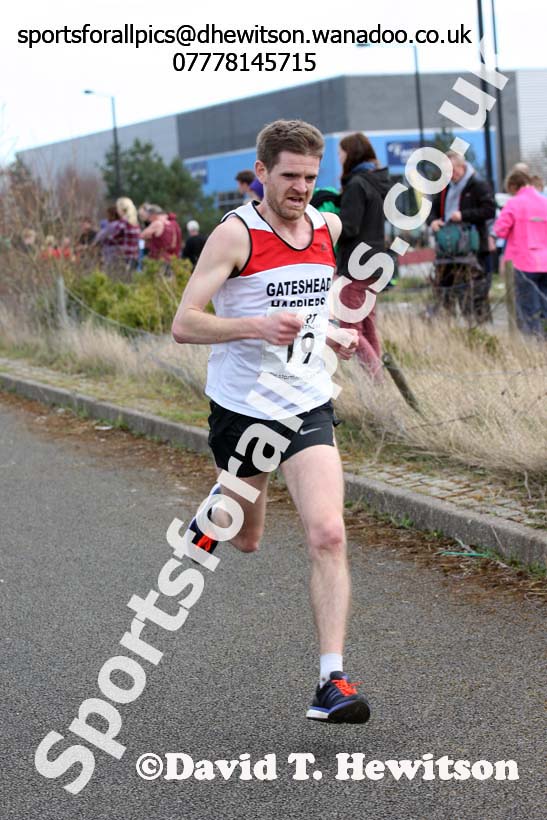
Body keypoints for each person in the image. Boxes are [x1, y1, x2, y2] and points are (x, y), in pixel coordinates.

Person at [172, 119, 370, 724]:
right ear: (261, 173)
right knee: (249, 538)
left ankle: (330, 682)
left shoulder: (328, 227)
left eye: (311, 177)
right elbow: (184, 323)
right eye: (289, 176)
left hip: (306, 401)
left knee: (328, 533)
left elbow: (319, 303)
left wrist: (337, 333)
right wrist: (255, 325)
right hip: (244, 408)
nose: (302, 188)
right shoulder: (236, 236)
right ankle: (217, 511)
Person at [336, 133, 392, 377]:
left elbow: (349, 227)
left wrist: (327, 224)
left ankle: (377, 383)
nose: (339, 157)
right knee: (368, 328)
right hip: (376, 263)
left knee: (351, 330)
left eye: (341, 152)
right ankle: (378, 390)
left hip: (356, 266)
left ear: (351, 153)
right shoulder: (376, 182)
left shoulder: (357, 185)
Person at [429, 151, 496, 323]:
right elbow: (432, 210)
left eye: (453, 170)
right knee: (447, 293)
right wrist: (433, 222)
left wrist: (464, 215)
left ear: (462, 166)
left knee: (475, 294)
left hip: (473, 249)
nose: (450, 175)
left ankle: (480, 329)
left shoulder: (478, 185)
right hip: (448, 251)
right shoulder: (444, 188)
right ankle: (451, 330)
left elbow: (489, 210)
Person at [493, 168, 547, 337]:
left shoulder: (514, 204)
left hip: (523, 263)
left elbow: (500, 230)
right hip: (545, 262)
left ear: (513, 186)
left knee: (527, 311)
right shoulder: (544, 201)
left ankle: (532, 349)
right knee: (545, 306)